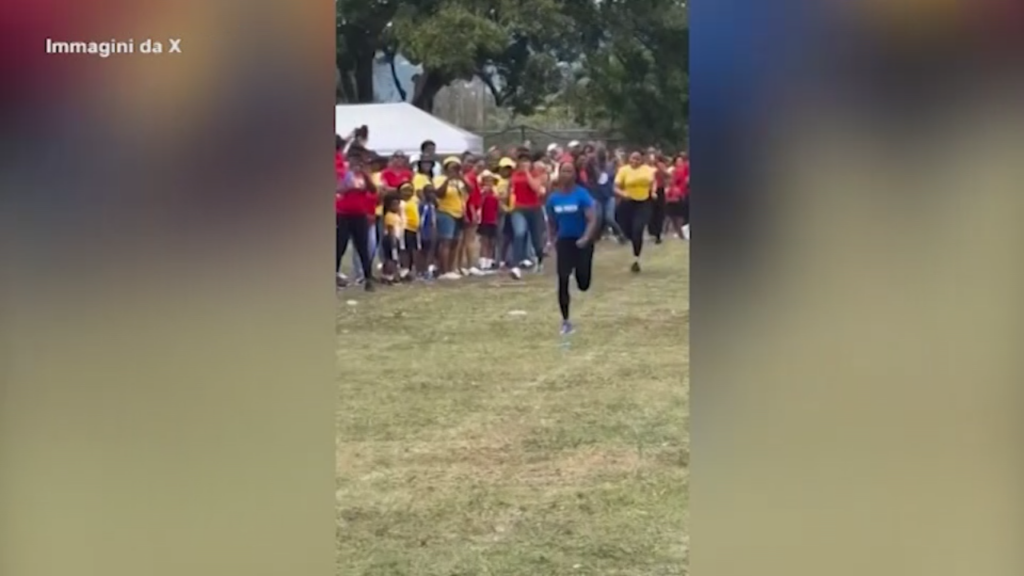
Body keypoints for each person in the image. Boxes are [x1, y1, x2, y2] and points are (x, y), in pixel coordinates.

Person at [545, 161, 599, 336]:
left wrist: (586, 237)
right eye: (563, 171)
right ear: (559, 174)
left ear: (575, 175)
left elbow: (592, 219)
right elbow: (551, 223)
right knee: (562, 279)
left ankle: (580, 272)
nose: (566, 174)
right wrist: (550, 241)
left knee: (583, 283)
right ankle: (566, 320)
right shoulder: (553, 199)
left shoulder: (582, 195)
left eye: (569, 171)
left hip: (582, 241)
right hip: (564, 242)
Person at [336, 151, 377, 291]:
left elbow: (373, 189)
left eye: (359, 162)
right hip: (343, 214)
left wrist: (365, 175)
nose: (356, 164)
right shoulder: (343, 174)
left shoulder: (363, 176)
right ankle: (335, 275)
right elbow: (338, 189)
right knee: (340, 246)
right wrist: (349, 186)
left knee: (363, 248)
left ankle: (368, 278)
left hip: (359, 215)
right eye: (353, 161)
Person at [614, 151, 656, 273]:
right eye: (633, 158)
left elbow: (653, 182)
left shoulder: (647, 170)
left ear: (642, 160)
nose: (635, 161)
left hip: (644, 202)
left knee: (638, 229)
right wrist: (623, 194)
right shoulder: (623, 170)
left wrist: (653, 192)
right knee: (626, 229)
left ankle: (636, 258)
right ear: (629, 159)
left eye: (638, 159)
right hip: (628, 203)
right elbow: (615, 187)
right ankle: (632, 239)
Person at [508, 153, 547, 279]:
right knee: (519, 233)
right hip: (519, 209)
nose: (524, 163)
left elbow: (535, 188)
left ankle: (539, 260)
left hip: (534, 209)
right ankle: (516, 266)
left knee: (536, 239)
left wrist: (527, 173)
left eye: (526, 161)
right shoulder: (514, 175)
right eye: (522, 161)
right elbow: (511, 189)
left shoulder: (535, 174)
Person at [433, 156, 469, 280]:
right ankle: (444, 270)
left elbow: (471, 190)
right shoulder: (440, 179)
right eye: (451, 167)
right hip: (445, 212)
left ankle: (450, 268)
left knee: (455, 242)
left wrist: (461, 178)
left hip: (459, 213)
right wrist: (448, 179)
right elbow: (439, 194)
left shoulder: (460, 181)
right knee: (446, 241)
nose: (454, 170)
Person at [477, 171, 501, 270]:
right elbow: (479, 203)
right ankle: (483, 261)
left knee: (492, 241)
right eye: (487, 181)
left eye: (491, 181)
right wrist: (484, 194)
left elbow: (498, 206)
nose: (489, 183)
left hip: (493, 219)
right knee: (484, 240)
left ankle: (489, 260)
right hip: (484, 219)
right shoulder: (482, 192)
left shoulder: (495, 193)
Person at [379, 193, 403, 283]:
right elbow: (391, 230)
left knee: (393, 258)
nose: (396, 207)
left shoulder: (395, 215)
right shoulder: (389, 216)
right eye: (394, 205)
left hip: (395, 238)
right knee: (391, 258)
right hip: (391, 239)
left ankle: (390, 274)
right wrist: (393, 242)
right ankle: (388, 275)